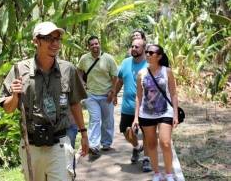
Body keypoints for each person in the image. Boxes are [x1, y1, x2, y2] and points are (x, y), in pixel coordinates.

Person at [0, 21, 89, 181]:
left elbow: (74, 103)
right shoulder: (19, 70)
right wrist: (14, 96)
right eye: (48, 38)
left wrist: (84, 133)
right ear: (36, 41)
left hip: (59, 144)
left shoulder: (68, 69)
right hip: (31, 145)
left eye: (57, 39)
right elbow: (7, 109)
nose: (54, 43)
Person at [132, 44, 179, 181]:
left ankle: (169, 174)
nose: (147, 54)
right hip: (146, 113)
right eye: (146, 52)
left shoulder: (167, 71)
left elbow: (173, 94)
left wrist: (175, 114)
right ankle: (157, 174)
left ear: (159, 57)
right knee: (151, 144)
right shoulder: (142, 73)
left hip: (165, 112)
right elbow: (138, 97)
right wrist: (136, 117)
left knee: (165, 143)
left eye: (150, 52)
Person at [112, 39, 153, 172]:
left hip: (146, 107)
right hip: (128, 106)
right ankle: (136, 147)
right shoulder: (125, 62)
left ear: (144, 49)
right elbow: (119, 81)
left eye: (137, 46)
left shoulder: (149, 64)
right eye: (132, 46)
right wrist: (114, 94)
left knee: (146, 134)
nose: (134, 49)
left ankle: (146, 159)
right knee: (125, 130)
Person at [77, 36, 117, 156]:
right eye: (92, 44)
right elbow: (79, 69)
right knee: (94, 119)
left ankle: (106, 142)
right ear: (89, 47)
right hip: (91, 95)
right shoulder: (84, 58)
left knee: (107, 120)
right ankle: (94, 145)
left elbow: (115, 76)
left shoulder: (108, 58)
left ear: (99, 45)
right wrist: (81, 81)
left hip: (106, 94)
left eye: (96, 44)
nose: (94, 46)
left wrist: (112, 92)